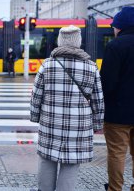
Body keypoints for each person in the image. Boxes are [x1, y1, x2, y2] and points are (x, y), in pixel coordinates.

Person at [30, 25, 104, 191]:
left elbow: (36, 95)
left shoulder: (47, 65)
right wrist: (98, 124)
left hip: (50, 122)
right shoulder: (91, 67)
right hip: (78, 126)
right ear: (79, 42)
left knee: (47, 159)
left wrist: (35, 116)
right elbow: (98, 100)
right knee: (71, 163)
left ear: (59, 41)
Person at [100, 6, 134, 191]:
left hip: (117, 114)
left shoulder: (115, 46)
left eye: (114, 26)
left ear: (120, 27)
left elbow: (107, 83)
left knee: (117, 154)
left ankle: (115, 189)